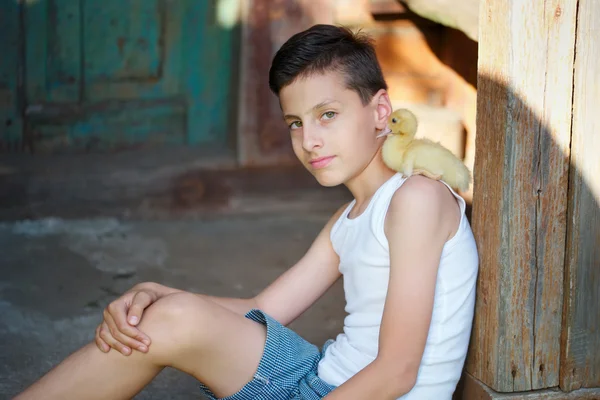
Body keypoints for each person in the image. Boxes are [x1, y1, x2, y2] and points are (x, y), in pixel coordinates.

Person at [15, 24, 479, 400]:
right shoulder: (348, 221)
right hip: (315, 379)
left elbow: (397, 371)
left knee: (169, 319)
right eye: (296, 123)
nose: (309, 140)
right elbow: (263, 309)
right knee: (163, 317)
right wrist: (158, 293)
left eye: (328, 115)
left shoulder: (416, 199)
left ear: (380, 111)